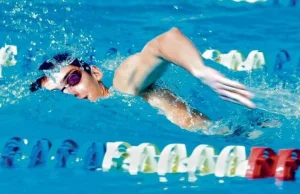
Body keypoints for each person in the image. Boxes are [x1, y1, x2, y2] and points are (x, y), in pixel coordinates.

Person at [30, 27, 255, 131]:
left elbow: (165, 41)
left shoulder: (123, 84)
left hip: (239, 134)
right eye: (63, 90)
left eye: (72, 79)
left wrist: (200, 71)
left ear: (96, 73)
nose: (72, 92)